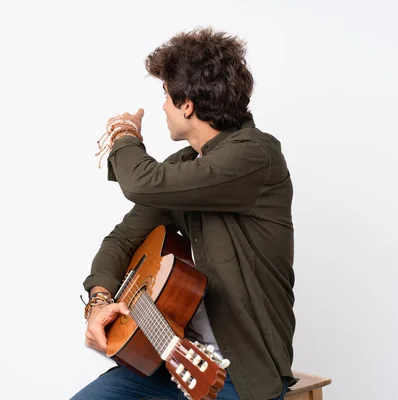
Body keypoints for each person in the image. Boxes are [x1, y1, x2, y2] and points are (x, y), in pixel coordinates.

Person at [71, 27, 296, 400]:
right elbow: (122, 240)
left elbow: (142, 182)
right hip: (168, 361)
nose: (162, 106)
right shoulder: (186, 167)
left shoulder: (255, 156)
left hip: (241, 375)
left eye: (165, 95)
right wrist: (98, 301)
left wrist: (125, 136)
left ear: (187, 104)